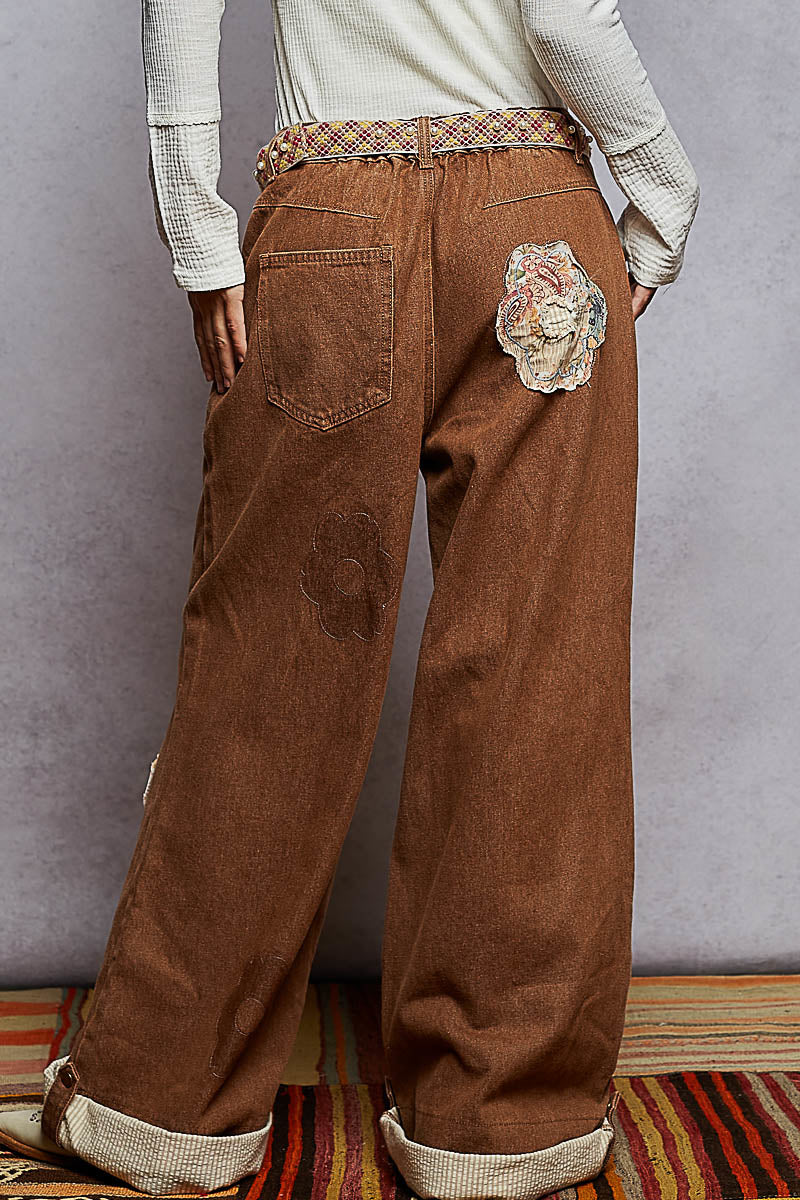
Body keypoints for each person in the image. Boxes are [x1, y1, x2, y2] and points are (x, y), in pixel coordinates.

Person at [0, 0, 699, 1196]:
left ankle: (158, 1114)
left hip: (331, 216)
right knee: (535, 669)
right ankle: (500, 1128)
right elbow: (564, 13)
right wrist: (660, 182)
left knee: (267, 669)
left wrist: (199, 235)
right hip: (535, 222)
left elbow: (179, 18)